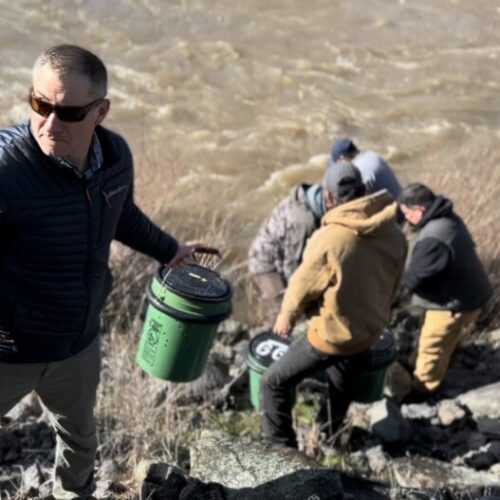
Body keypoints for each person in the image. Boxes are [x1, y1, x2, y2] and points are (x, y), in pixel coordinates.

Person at [0, 45, 199, 499]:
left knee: (80, 440)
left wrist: (170, 250)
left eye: (67, 113)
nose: (49, 124)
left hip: (77, 344)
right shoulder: (6, 171)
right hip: (8, 350)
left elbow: (122, 215)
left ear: (101, 111)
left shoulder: (114, 159)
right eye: (39, 105)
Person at [259, 163, 407, 448]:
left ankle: (280, 449)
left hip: (330, 337)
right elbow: (394, 285)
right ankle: (329, 435)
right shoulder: (395, 234)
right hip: (368, 333)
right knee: (341, 381)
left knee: (272, 383)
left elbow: (301, 286)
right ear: (364, 191)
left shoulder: (330, 239)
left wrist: (286, 317)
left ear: (328, 199)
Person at [398, 183, 492, 401]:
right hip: (464, 293)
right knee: (433, 335)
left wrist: (387, 302)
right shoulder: (443, 216)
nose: (405, 219)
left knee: (434, 344)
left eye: (406, 213)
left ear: (419, 209)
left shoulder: (435, 236)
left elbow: (412, 279)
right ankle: (417, 364)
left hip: (455, 303)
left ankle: (423, 388)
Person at [248, 182, 325, 322]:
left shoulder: (312, 195)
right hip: (265, 264)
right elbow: (293, 270)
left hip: (275, 247)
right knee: (281, 310)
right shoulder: (303, 223)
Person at [330, 138, 402, 198]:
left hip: (398, 209)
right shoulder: (370, 154)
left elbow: (358, 202)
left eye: (338, 164)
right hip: (400, 196)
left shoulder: (360, 171)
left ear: (343, 158)